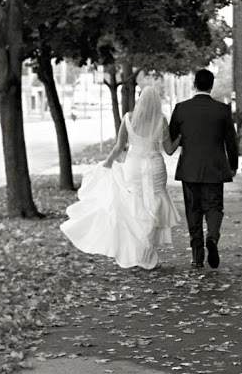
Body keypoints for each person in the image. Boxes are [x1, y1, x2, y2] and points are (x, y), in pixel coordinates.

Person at [60, 86, 181, 270]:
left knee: (134, 204)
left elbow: (119, 147)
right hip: (155, 166)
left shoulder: (128, 118)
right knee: (155, 202)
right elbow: (170, 150)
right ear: (157, 102)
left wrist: (107, 163)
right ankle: (148, 250)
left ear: (139, 99)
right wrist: (180, 137)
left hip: (133, 167)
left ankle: (135, 247)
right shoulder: (161, 120)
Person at [169, 69, 239, 269]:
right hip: (215, 168)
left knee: (193, 211)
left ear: (194, 84)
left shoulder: (181, 109)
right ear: (212, 85)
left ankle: (197, 257)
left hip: (190, 168)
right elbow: (231, 143)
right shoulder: (222, 110)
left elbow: (173, 136)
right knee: (214, 207)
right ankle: (213, 238)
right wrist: (233, 166)